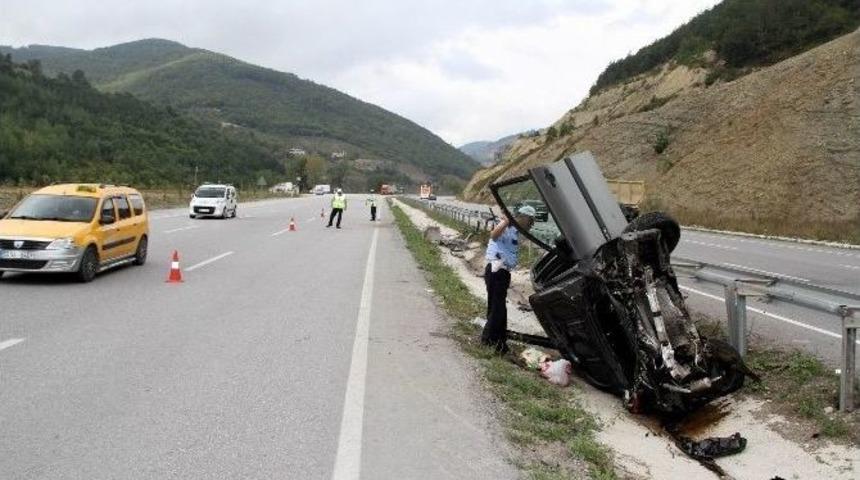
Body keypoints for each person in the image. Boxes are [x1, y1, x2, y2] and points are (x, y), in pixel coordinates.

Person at [481, 205, 536, 353]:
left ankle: (497, 339)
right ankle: (488, 340)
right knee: (498, 307)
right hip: (496, 269)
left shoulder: (517, 231)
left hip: (503, 272)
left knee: (497, 306)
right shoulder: (504, 225)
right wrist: (506, 221)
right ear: (521, 217)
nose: (530, 224)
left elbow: (526, 234)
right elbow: (493, 235)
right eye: (529, 220)